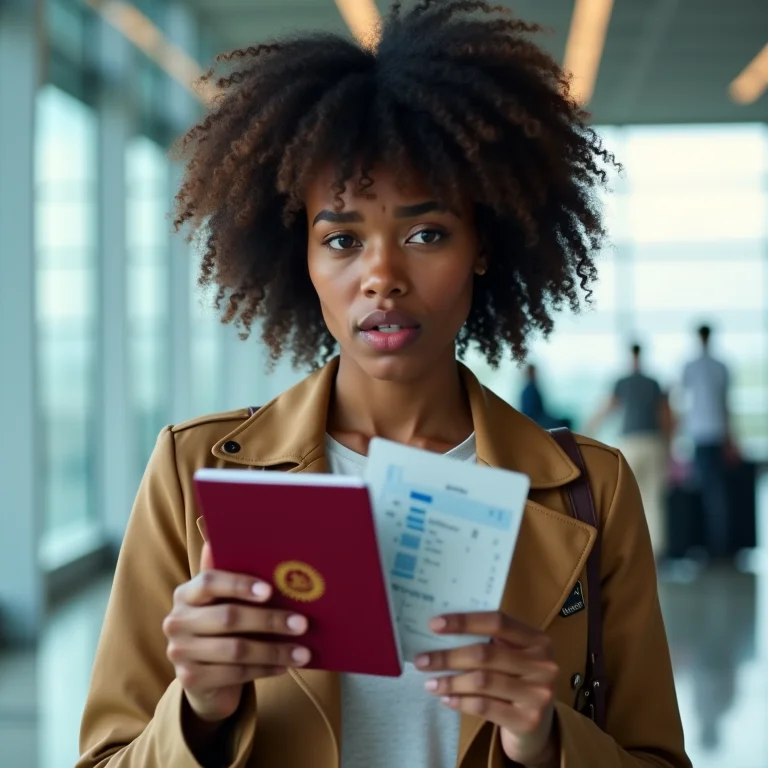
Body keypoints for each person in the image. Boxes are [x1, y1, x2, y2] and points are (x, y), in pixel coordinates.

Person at [77, 3, 690, 767]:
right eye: (341, 239)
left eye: (426, 233)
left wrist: (546, 739)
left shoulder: (589, 489)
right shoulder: (194, 473)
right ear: (300, 257)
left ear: (483, 247)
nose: (382, 277)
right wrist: (198, 708)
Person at [588, 343, 673, 557]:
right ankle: (656, 550)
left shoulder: (622, 382)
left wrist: (587, 429)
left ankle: (630, 548)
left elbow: (607, 409)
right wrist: (668, 445)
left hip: (631, 442)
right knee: (653, 498)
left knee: (627, 496)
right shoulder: (653, 383)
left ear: (630, 356)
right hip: (653, 441)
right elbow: (665, 415)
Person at [681, 324, 735, 560]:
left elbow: (683, 401)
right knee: (717, 492)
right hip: (717, 432)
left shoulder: (690, 367)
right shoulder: (721, 366)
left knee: (705, 490)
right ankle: (719, 545)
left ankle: (708, 546)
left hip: (700, 434)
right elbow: (727, 404)